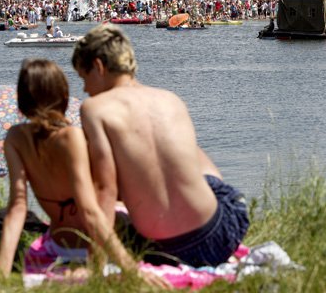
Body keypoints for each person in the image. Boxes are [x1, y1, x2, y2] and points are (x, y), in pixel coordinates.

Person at [71, 24, 249, 267]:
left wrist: (101, 262)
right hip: (219, 235)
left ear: (99, 66)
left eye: (84, 78)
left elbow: (105, 190)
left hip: (163, 249)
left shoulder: (95, 108)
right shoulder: (170, 99)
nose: (85, 89)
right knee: (190, 154)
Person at [0, 58, 169, 288]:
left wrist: (0, 272)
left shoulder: (15, 138)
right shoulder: (70, 136)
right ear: (63, 96)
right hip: (92, 245)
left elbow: (17, 208)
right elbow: (89, 210)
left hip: (58, 244)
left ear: (23, 99)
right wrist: (131, 270)